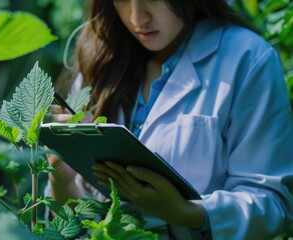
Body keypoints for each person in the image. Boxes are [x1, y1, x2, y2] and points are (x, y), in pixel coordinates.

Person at [46, 0, 293, 239]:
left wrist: (190, 213)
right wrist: (61, 177)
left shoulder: (247, 58)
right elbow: (72, 225)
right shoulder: (99, 59)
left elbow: (273, 204)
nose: (137, 18)